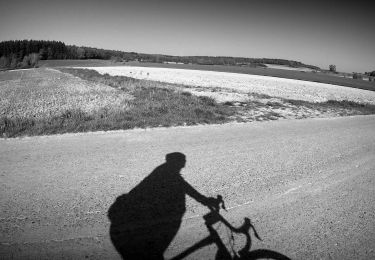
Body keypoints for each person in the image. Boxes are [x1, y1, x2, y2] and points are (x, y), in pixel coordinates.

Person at [108, 152, 219, 260]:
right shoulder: (169, 175)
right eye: (182, 161)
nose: (184, 163)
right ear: (178, 163)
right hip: (133, 228)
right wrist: (208, 201)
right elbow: (190, 191)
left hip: (124, 226)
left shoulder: (163, 170)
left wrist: (206, 201)